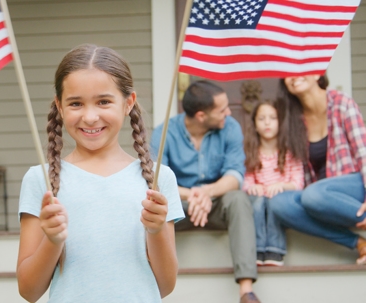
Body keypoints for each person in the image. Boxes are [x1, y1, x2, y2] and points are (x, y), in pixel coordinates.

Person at [16, 44, 185, 303]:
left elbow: (165, 285)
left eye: (104, 101)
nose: (91, 116)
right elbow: (29, 290)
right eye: (76, 103)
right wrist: (52, 240)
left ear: (128, 103)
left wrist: (156, 230)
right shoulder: (40, 180)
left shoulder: (158, 179)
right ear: (60, 107)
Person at [150, 80, 261, 303]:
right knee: (151, 207)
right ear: (201, 115)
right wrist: (192, 195)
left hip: (218, 203)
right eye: (222, 110)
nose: (228, 113)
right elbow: (154, 180)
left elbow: (235, 176)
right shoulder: (164, 133)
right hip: (179, 205)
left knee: (239, 199)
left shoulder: (230, 127)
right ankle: (151, 287)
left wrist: (207, 192)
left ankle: (246, 292)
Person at [269, 74, 366, 265]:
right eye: (287, 74)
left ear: (317, 73)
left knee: (313, 194)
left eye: (299, 68)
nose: (293, 77)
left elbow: (363, 153)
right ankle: (359, 243)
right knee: (279, 203)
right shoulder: (294, 120)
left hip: (354, 187)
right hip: (319, 197)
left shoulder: (341, 103)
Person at [242, 100, 304, 267]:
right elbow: (246, 181)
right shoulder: (250, 152)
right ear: (254, 124)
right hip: (260, 199)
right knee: (259, 201)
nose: (267, 122)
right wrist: (253, 187)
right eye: (262, 118)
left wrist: (282, 186)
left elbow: (298, 183)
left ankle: (275, 250)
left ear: (280, 122)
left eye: (273, 118)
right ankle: (257, 249)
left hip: (282, 197)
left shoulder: (290, 151)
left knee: (274, 201)